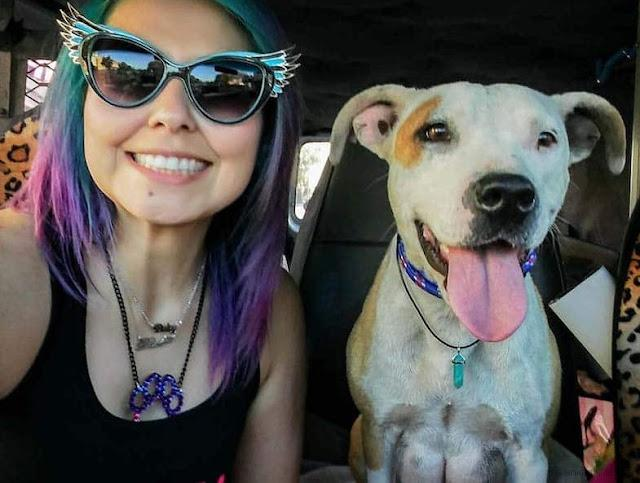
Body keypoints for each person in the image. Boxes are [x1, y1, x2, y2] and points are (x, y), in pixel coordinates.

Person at [0, 0, 305, 481]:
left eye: (225, 86)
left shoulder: (270, 310)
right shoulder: (11, 269)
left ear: (266, 128)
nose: (171, 115)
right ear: (81, 100)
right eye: (126, 70)